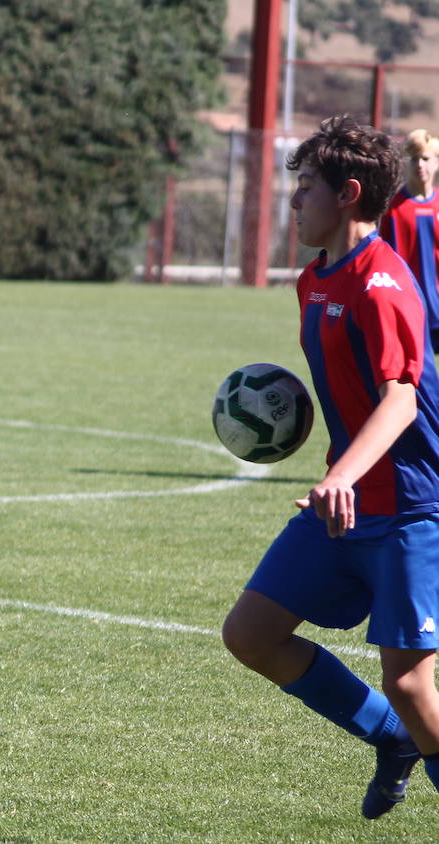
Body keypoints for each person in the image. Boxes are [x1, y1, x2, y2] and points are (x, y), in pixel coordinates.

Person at [222, 115, 439, 820]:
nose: (293, 202)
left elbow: (400, 400)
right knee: (250, 634)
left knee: (412, 684)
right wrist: (336, 475)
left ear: (348, 195)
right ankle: (391, 740)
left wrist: (342, 473)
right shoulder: (314, 279)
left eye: (305, 189)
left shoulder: (383, 284)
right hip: (344, 503)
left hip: (412, 505)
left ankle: (406, 730)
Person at [379, 128, 439, 347]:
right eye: (414, 159)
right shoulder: (393, 208)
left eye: (425, 158)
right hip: (409, 304)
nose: (420, 165)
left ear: (436, 163)